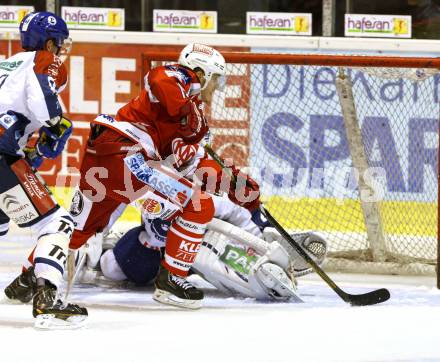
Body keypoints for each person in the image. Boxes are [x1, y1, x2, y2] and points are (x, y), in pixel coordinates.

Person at [66, 43, 260, 309]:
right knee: (197, 206)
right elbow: (158, 79)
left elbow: (193, 160)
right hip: (127, 157)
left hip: (123, 166)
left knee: (80, 229)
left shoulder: (196, 117)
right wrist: (185, 109)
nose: (217, 87)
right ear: (200, 73)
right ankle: (171, 280)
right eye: (215, 78)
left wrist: (229, 180)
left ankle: (35, 275)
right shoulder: (178, 81)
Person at [0, 12, 87, 328]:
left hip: (6, 151)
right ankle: (46, 300)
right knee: (58, 224)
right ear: (49, 42)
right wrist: (56, 121)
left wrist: (30, 151)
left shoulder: (6, 63)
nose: (60, 50)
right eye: (58, 43)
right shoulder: (43, 61)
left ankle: (26, 284)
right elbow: (43, 100)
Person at [79, 194, 327, 302]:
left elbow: (236, 213)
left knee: (215, 260)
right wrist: (95, 232)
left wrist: (259, 243)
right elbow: (117, 198)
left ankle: (261, 266)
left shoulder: (203, 193)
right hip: (158, 247)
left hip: (204, 242)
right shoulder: (152, 178)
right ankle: (109, 249)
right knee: (111, 268)